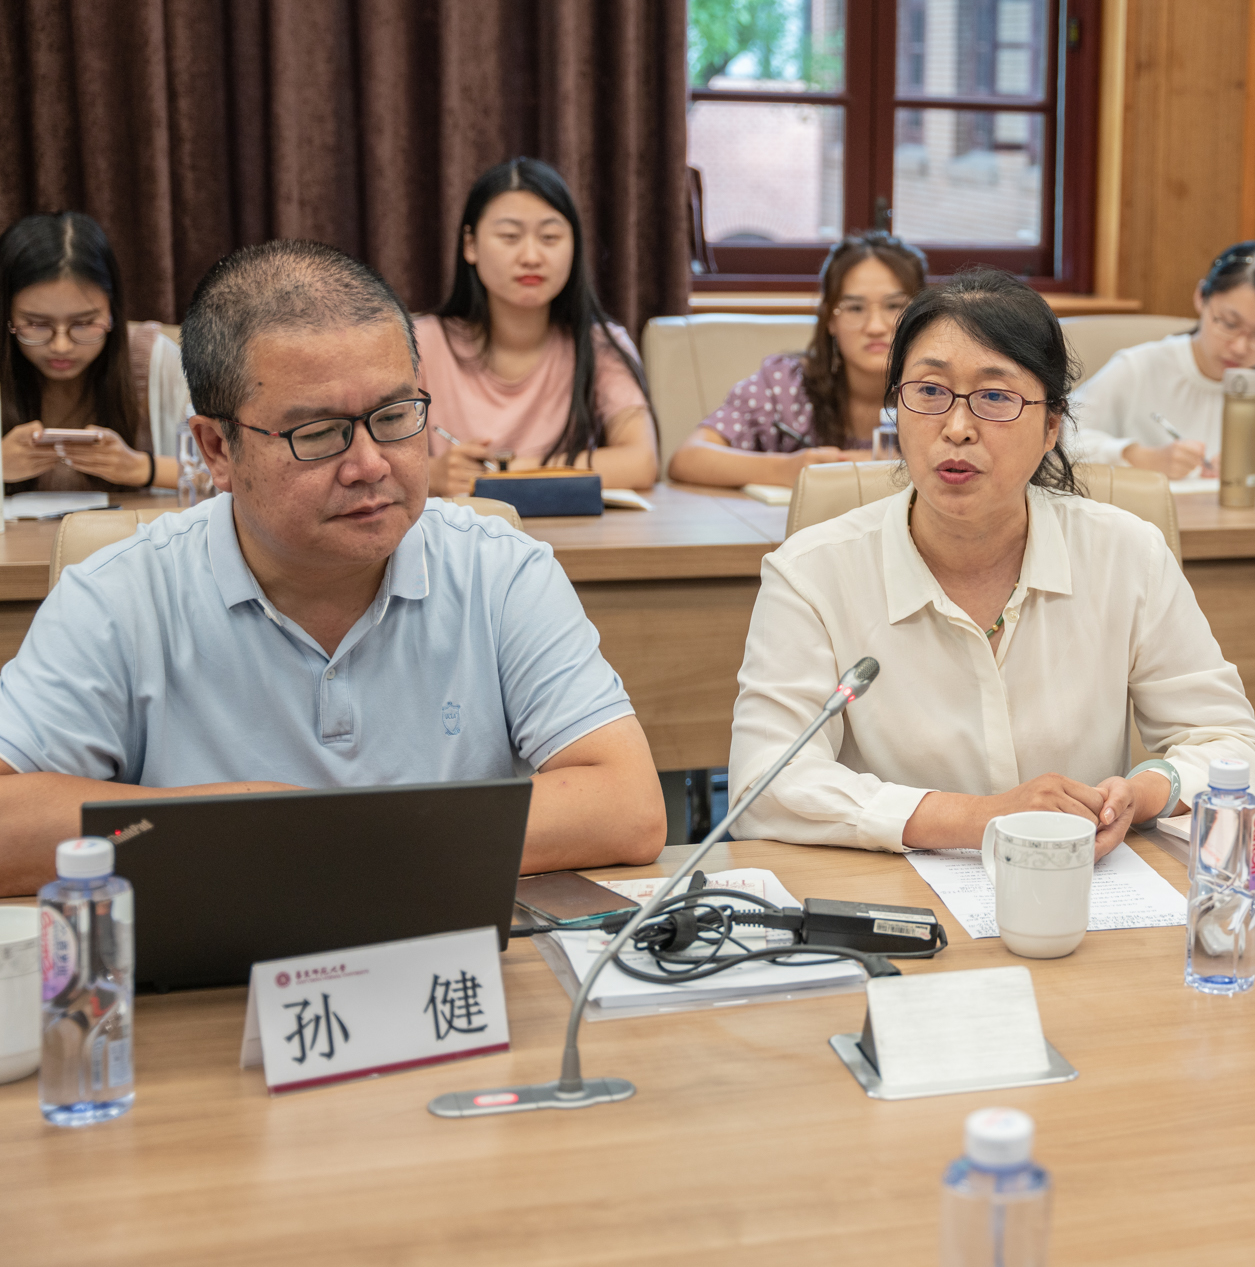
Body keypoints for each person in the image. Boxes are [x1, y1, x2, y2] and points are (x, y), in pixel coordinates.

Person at [0, 239, 665, 895]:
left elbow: (627, 806)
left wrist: (316, 834)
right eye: (318, 433)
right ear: (216, 449)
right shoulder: (119, 595)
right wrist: (249, 819)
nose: (370, 465)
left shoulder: (498, 569)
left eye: (395, 416)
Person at [726, 268, 1255, 855]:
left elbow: (1233, 744)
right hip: (892, 896)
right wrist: (980, 817)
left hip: (1081, 886)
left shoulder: (1126, 554)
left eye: (995, 398)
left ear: (1051, 426)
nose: (957, 428)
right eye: (929, 392)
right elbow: (763, 783)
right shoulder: (811, 573)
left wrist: (1145, 792)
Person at [419, 157, 658, 495]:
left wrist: (501, 473)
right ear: (470, 245)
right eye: (510, 236)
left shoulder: (600, 344)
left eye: (549, 237)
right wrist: (434, 473)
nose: (531, 257)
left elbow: (641, 461)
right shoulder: (419, 342)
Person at [1067, 242, 1255, 477]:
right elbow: (1058, 438)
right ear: (1201, 298)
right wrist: (1139, 457)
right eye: (1228, 324)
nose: (1240, 348)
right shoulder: (1139, 367)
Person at [669, 231, 926, 487]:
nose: (875, 327)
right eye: (855, 308)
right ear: (830, 319)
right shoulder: (785, 386)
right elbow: (689, 457)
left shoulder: (939, 389)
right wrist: (788, 468)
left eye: (894, 306)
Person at [2, 211, 187, 493]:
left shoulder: (152, 359)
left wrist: (140, 467)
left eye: (84, 323)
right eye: (37, 324)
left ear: (112, 312)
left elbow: (229, 473)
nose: (61, 346)